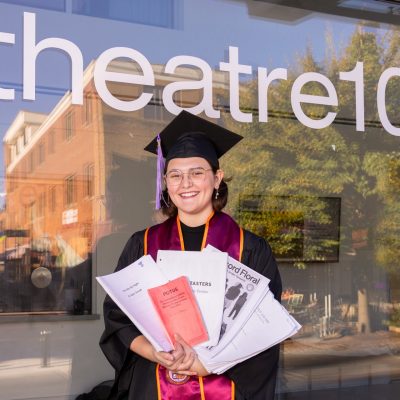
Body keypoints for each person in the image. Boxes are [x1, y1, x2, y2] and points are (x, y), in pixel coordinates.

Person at [100, 111, 282, 400]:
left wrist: (206, 365)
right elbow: (117, 317)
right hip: (155, 386)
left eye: (197, 173)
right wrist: (156, 353)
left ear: (217, 178)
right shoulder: (142, 243)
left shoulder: (250, 248)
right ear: (166, 182)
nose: (185, 183)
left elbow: (265, 329)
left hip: (226, 387)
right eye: (175, 174)